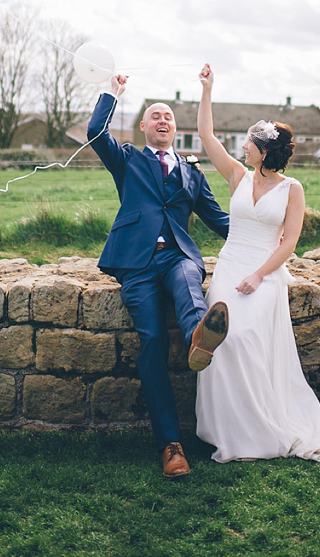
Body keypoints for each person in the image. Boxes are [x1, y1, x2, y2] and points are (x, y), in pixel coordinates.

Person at [195, 63, 320, 463]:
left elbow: (289, 242)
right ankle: (227, 429)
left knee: (247, 340)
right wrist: (207, 89)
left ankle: (261, 427)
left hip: (265, 272)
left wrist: (259, 275)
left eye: (249, 144)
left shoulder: (292, 189)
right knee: (224, 339)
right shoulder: (237, 176)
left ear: (264, 150)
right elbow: (206, 136)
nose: (242, 148)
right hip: (230, 266)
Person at [87, 74, 230, 477]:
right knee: (150, 341)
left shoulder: (192, 173)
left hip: (179, 256)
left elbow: (220, 221)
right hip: (137, 263)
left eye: (168, 116)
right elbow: (96, 132)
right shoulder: (128, 159)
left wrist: (267, 240)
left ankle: (198, 337)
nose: (163, 120)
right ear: (145, 127)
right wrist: (113, 93)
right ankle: (171, 446)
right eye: (155, 115)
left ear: (174, 129)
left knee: (189, 284)